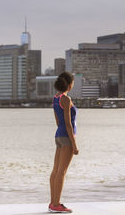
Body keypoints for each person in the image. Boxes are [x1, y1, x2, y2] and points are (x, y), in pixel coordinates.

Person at [49, 72, 79, 213]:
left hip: (58, 136)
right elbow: (68, 124)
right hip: (66, 137)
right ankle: (57, 204)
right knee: (62, 172)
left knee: (55, 171)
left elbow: (58, 121)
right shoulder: (66, 99)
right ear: (69, 84)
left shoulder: (56, 98)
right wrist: (74, 144)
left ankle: (53, 203)